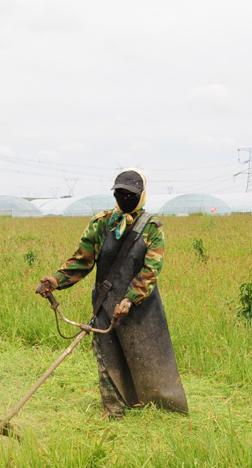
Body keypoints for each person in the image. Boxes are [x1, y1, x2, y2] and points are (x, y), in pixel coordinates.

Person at [36, 168, 188, 418]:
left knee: (146, 357)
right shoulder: (101, 223)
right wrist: (55, 280)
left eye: (131, 194)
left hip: (141, 307)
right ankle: (113, 410)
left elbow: (151, 270)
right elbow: (81, 262)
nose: (125, 198)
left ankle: (158, 408)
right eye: (121, 193)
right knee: (107, 356)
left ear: (142, 195)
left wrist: (130, 299)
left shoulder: (152, 227)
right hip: (106, 304)